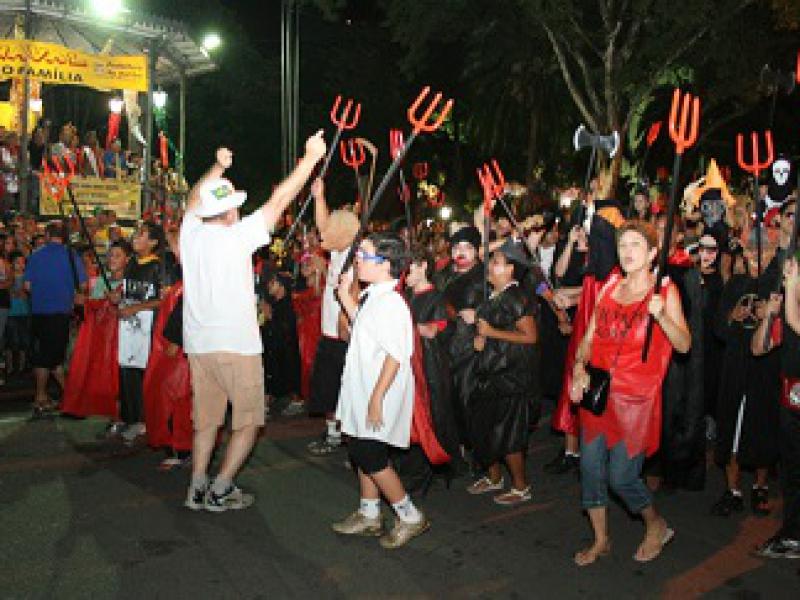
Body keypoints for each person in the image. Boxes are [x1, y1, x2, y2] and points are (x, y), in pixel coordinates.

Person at [181, 134, 325, 512]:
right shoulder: (239, 236)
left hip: (199, 346)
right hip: (237, 347)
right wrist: (310, 159)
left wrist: (217, 168)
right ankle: (221, 488)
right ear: (230, 212)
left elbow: (193, 198)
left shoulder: (189, 232)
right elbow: (281, 199)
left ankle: (197, 485)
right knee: (247, 422)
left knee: (207, 420)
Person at [569, 220, 690, 566]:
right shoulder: (609, 286)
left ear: (653, 254)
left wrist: (662, 316)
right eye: (623, 245)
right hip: (599, 394)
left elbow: (684, 345)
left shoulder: (664, 292)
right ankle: (600, 540)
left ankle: (656, 524)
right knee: (590, 470)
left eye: (636, 245)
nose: (627, 252)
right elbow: (588, 339)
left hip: (635, 401)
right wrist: (579, 369)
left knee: (622, 477)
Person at [332, 232, 430, 548]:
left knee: (370, 454)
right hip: (363, 387)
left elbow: (395, 355)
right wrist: (344, 295)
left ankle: (410, 516)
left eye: (364, 255)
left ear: (386, 264)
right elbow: (364, 325)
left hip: (378, 391)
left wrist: (376, 398)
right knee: (360, 448)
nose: (357, 260)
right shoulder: (375, 295)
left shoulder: (391, 303)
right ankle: (369, 512)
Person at [465, 239, 538, 505]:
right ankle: (494, 477)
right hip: (491, 374)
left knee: (508, 435)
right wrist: (481, 339)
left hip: (511, 378)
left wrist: (491, 333)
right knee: (485, 429)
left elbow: (530, 337)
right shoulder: (495, 296)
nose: (489, 266)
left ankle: (521, 486)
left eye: (496, 262)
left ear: (511, 269)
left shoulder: (516, 297)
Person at [306, 178, 360, 454]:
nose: (322, 236)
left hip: (343, 335)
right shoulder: (339, 253)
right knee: (327, 387)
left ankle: (345, 438)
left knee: (341, 389)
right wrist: (319, 198)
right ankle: (333, 433)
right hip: (329, 332)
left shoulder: (356, 259)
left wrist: (343, 322)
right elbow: (325, 226)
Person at [754, 254, 800, 558]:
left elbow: (797, 323)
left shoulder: (794, 307)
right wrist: (769, 316)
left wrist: (792, 288)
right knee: (791, 472)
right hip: (790, 401)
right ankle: (792, 534)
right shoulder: (790, 307)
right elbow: (759, 348)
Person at [24, 221, 88, 418]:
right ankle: (51, 397)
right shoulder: (71, 256)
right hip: (60, 311)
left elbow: (27, 286)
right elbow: (83, 285)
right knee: (53, 357)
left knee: (44, 355)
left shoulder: (36, 255)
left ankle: (48, 396)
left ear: (47, 235)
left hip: (38, 311)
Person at [110, 222, 165, 446]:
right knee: (126, 370)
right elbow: (126, 291)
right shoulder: (132, 263)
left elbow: (163, 299)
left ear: (153, 242)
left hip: (147, 329)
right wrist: (117, 296)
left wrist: (136, 307)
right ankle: (128, 417)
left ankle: (142, 420)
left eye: (141, 234)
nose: (135, 237)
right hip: (128, 327)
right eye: (136, 233)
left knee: (142, 372)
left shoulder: (159, 266)